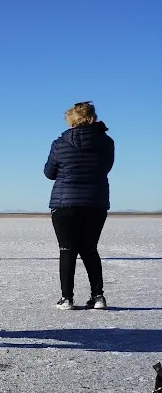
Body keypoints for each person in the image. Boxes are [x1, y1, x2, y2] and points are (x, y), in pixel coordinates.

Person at [44, 101, 115, 310]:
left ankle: (67, 298)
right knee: (90, 249)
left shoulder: (60, 143)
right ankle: (98, 296)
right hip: (96, 201)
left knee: (67, 250)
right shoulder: (106, 142)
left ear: (71, 119)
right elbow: (106, 167)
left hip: (64, 203)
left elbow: (49, 173)